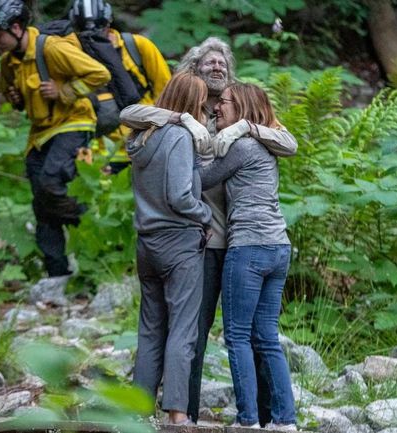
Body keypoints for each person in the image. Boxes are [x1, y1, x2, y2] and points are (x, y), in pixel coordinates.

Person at [120, 36, 297, 425]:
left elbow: (287, 140)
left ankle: (268, 416)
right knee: (194, 331)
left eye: (222, 63)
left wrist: (244, 128)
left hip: (238, 239)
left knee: (249, 333)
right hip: (199, 237)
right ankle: (189, 412)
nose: (217, 68)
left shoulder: (238, 111)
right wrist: (181, 118)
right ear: (193, 71)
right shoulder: (185, 113)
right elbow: (131, 113)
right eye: (208, 63)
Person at [0, 0, 110, 281]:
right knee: (41, 201)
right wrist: (15, 99)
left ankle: (88, 222)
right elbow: (10, 94)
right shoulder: (8, 63)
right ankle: (57, 272)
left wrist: (64, 90)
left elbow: (100, 74)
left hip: (73, 122)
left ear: (16, 28)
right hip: (40, 134)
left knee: (52, 182)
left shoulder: (51, 47)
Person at [198, 82, 296, 431]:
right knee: (266, 335)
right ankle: (285, 421)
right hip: (278, 246)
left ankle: (248, 420)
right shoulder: (265, 143)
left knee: (237, 335)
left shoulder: (241, 146)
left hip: (249, 247)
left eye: (222, 103)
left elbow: (202, 179)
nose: (216, 109)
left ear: (241, 107)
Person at [129, 72, 211, 425]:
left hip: (146, 244)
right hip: (178, 243)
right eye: (203, 101)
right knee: (183, 329)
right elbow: (180, 195)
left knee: (150, 329)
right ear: (193, 104)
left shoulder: (141, 137)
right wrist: (205, 214)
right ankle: (177, 415)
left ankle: (137, 410)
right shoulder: (179, 137)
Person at [68, 0, 171, 174]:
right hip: (95, 154)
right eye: (83, 32)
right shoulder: (70, 55)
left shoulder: (137, 46)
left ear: (109, 23)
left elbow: (167, 92)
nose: (92, 37)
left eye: (99, 29)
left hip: (142, 146)